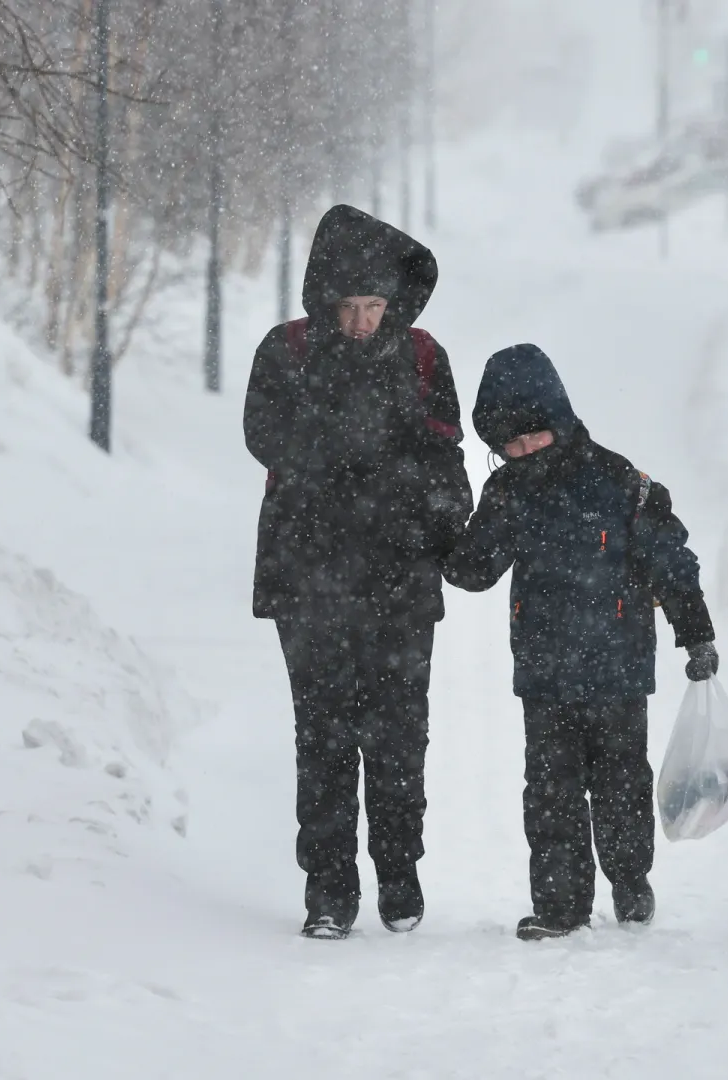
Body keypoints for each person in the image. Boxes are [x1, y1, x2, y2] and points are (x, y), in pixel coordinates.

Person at [243, 205, 471, 940]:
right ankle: (329, 888)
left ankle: (400, 876)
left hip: (400, 576)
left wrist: (443, 518)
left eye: (377, 306)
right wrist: (346, 448)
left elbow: (446, 455)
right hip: (309, 576)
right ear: (327, 300)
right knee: (326, 735)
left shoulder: (425, 356)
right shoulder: (289, 351)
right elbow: (265, 437)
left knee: (401, 735)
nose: (366, 322)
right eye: (353, 307)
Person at [444, 343, 719, 941]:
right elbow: (472, 571)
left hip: (617, 667)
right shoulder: (509, 492)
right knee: (550, 793)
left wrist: (695, 632)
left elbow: (672, 561)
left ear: (559, 421)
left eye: (532, 438)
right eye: (508, 447)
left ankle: (630, 882)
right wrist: (447, 519)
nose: (522, 453)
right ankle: (560, 906)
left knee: (621, 781)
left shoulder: (621, 483)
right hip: (544, 673)